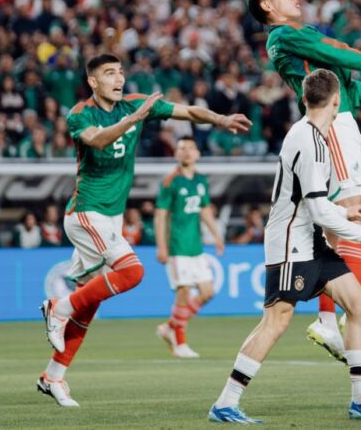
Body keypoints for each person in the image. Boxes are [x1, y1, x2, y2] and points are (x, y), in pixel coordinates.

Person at [38, 53, 251, 408]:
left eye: (120, 72)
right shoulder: (80, 114)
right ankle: (58, 307)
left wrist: (219, 118)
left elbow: (189, 111)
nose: (118, 78)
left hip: (111, 218)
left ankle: (53, 377)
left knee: (89, 305)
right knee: (133, 271)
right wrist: (134, 119)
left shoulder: (137, 104)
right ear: (93, 82)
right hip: (86, 212)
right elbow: (98, 140)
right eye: (109, 74)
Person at [208, 70, 361, 423]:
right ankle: (225, 401)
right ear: (336, 102)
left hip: (309, 240)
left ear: (304, 99)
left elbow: (314, 201)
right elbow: (315, 208)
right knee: (276, 321)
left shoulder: (310, 134)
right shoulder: (311, 141)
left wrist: (346, 209)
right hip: (290, 244)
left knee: (359, 304)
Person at [247, 0, 361, 359]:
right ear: (267, 7)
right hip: (334, 125)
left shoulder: (303, 34)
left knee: (343, 221)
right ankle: (348, 312)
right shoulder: (283, 36)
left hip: (342, 119)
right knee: (351, 214)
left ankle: (330, 321)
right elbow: (345, 56)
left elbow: (343, 79)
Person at [154, 136, 226, 359]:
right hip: (177, 248)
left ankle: (170, 327)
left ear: (197, 154)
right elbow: (160, 215)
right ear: (176, 154)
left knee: (207, 292)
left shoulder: (201, 181)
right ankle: (180, 343)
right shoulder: (170, 182)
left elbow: (204, 210)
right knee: (184, 292)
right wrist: (161, 246)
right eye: (181, 148)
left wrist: (216, 235)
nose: (186, 151)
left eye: (190, 148)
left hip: (196, 247)